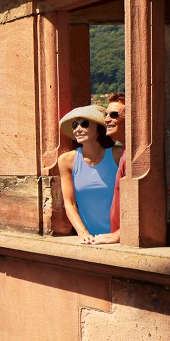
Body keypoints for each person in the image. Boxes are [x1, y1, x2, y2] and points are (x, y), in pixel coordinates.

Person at [57, 104, 122, 243]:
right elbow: (70, 203)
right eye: (75, 125)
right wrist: (83, 233)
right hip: (90, 240)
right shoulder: (66, 161)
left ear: (99, 128)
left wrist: (119, 235)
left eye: (84, 124)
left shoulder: (118, 155)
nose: (78, 129)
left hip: (118, 239)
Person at [91, 92, 126, 244]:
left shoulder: (136, 156)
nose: (106, 119)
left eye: (113, 114)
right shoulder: (126, 152)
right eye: (106, 115)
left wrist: (119, 234)